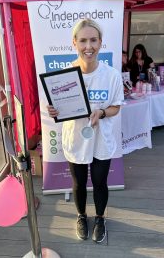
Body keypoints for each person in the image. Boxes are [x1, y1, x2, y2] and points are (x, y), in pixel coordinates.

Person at [47, 18, 123, 243]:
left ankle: (99, 218)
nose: (88, 46)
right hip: (76, 139)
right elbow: (58, 107)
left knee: (100, 182)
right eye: (83, 40)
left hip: (101, 138)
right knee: (79, 183)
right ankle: (81, 216)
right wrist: (54, 110)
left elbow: (116, 107)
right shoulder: (63, 76)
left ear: (100, 43)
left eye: (93, 40)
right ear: (74, 43)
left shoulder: (111, 75)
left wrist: (100, 112)